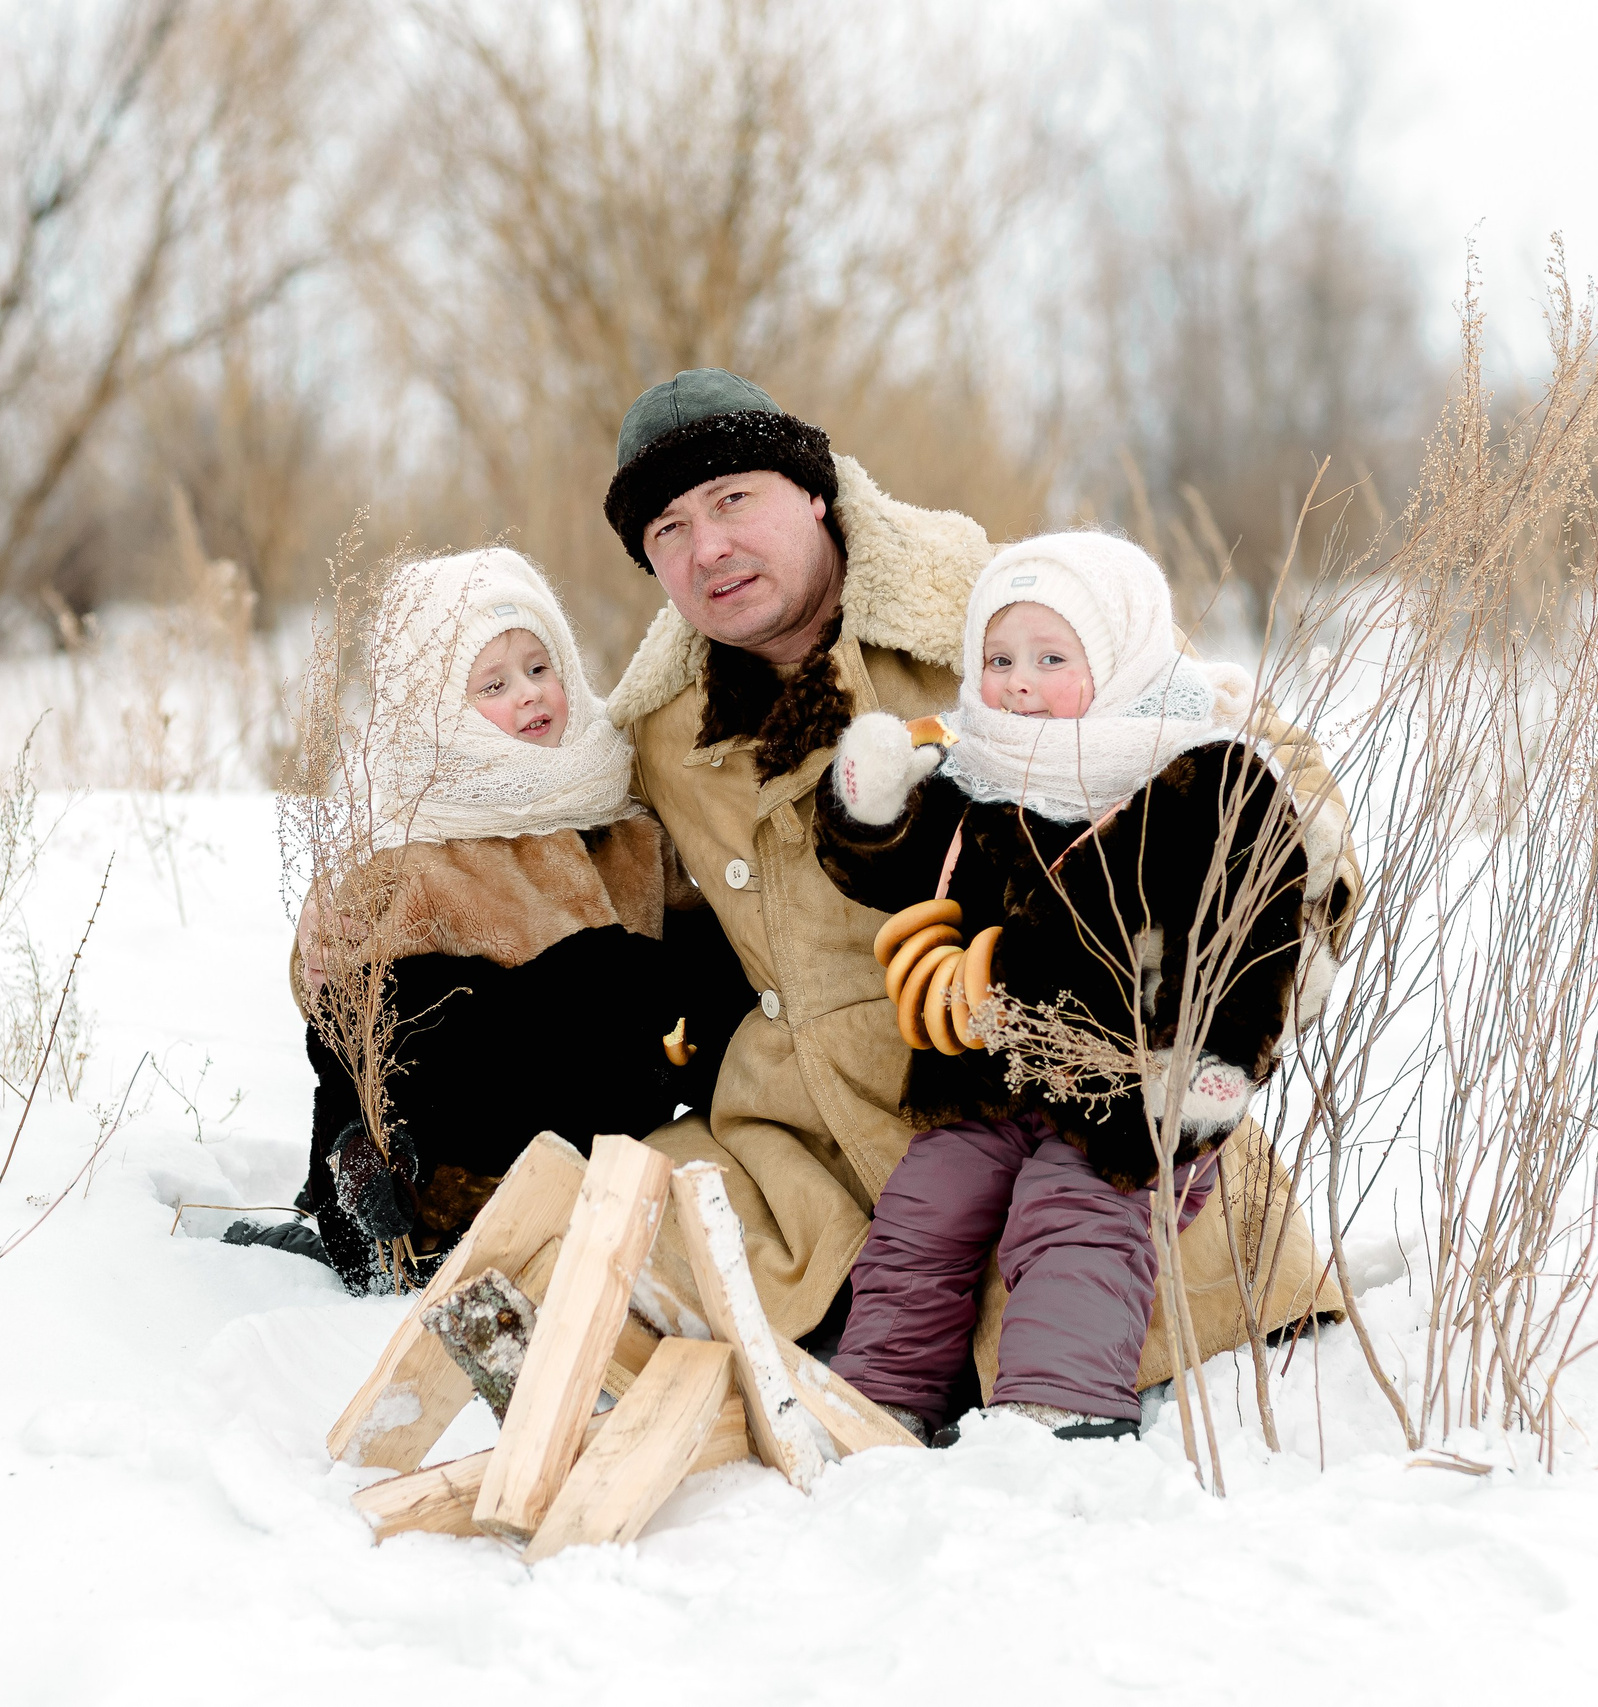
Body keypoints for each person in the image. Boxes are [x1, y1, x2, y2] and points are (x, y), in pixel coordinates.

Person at [601, 369, 1358, 1405]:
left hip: (1079, 1099)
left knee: (1073, 1318)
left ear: (812, 492)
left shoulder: (1003, 606)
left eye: (735, 500)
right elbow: (578, 900)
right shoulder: (655, 728)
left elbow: (1262, 779)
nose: (709, 549)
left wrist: (1180, 985)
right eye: (668, 531)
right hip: (813, 1154)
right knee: (589, 1236)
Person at [810, 532, 1338, 1442]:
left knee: (1078, 1208)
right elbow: (893, 872)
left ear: (1120, 657)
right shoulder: (977, 773)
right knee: (924, 1206)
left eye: (1052, 659)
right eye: (1000, 658)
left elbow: (1258, 938)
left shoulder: (1201, 776)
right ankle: (882, 1393)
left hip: (1127, 1077)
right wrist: (871, 808)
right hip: (983, 1068)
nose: (1019, 681)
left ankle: (1060, 1403)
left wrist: (1214, 1067)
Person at [234, 546, 749, 1292]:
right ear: (435, 710)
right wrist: (363, 1136)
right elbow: (352, 1024)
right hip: (449, 1173)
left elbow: (699, 955)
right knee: (445, 993)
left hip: (601, 1143)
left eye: (541, 668)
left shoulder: (621, 814)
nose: (530, 695)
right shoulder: (416, 847)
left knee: (639, 979)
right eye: (493, 684)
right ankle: (364, 1192)